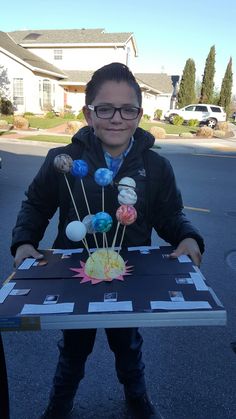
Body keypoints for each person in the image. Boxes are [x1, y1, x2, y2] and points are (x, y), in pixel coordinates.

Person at [11, 62, 204, 419]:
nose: (117, 118)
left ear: (139, 114)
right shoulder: (63, 161)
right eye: (105, 108)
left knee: (128, 346)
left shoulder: (156, 167)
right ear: (88, 113)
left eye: (128, 109)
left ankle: (136, 397)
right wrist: (25, 241)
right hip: (74, 275)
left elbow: (169, 214)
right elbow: (36, 205)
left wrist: (188, 236)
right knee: (74, 348)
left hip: (129, 275)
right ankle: (60, 402)